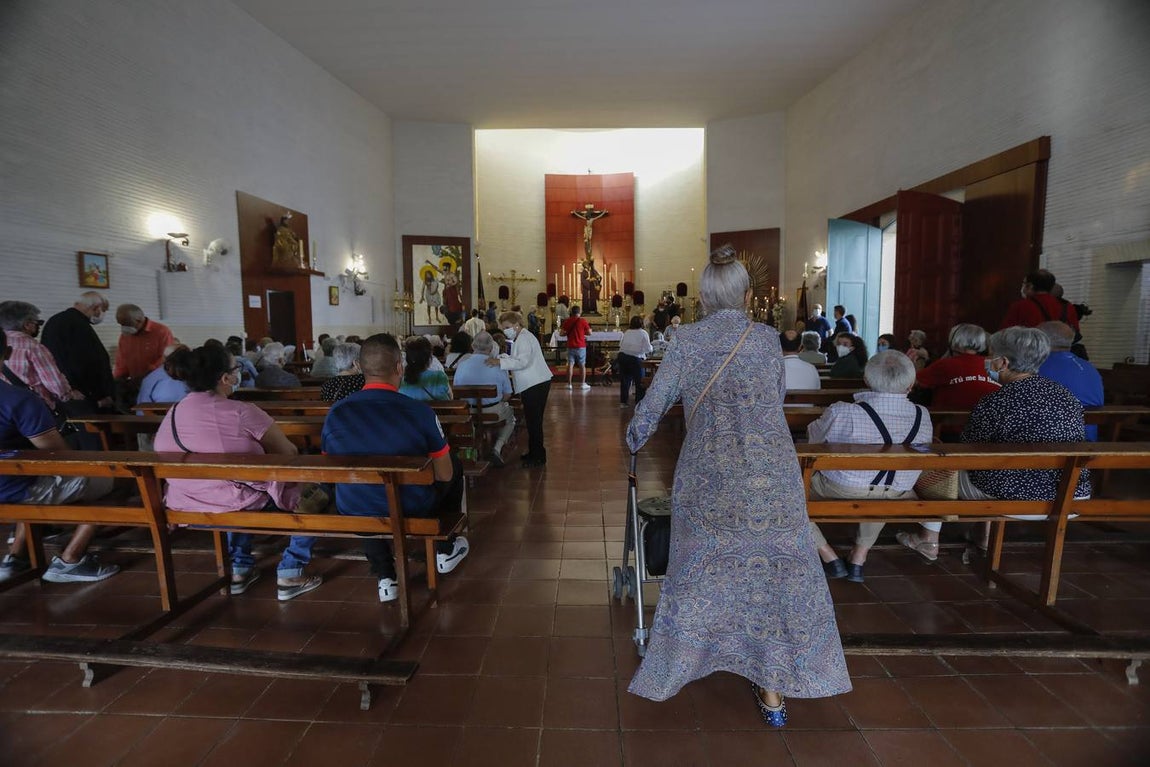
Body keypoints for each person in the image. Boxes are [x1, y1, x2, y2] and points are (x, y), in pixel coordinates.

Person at [624, 246, 850, 727]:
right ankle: (772, 688)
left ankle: (687, 662)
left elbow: (653, 407)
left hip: (711, 475)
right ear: (747, 295)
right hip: (771, 474)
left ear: (703, 297)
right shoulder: (767, 339)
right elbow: (775, 398)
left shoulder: (685, 342)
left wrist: (634, 437)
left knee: (703, 566)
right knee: (772, 572)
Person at [897, 327, 1091, 560]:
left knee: (934, 466)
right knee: (995, 469)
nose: (987, 361)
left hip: (1017, 496)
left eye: (991, 355)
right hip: (1071, 493)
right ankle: (982, 537)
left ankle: (928, 540)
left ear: (1003, 362)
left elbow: (968, 450)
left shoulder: (996, 400)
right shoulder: (1065, 395)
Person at [154, 344, 324, 601]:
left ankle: (240, 569)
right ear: (226, 378)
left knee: (235, 488)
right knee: (318, 494)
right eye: (237, 368)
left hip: (187, 503)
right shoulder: (242, 412)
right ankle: (291, 570)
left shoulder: (173, 413)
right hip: (235, 501)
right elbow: (288, 454)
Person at [322, 333, 470, 601]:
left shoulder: (337, 412)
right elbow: (445, 473)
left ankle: (385, 577)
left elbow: (329, 465)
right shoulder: (420, 412)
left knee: (365, 488)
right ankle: (445, 548)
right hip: (410, 505)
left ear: (360, 367)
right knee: (454, 467)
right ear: (399, 367)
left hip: (353, 507)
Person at [0, 330, 121, 584]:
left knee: (37, 480)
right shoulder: (18, 399)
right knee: (115, 478)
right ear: (8, 354)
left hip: (14, 483)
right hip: (15, 489)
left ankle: (16, 556)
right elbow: (57, 455)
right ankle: (71, 559)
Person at [807, 352, 933, 582]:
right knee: (883, 486)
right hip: (898, 492)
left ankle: (827, 555)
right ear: (911, 384)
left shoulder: (843, 411)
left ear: (866, 379)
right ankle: (859, 557)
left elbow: (813, 440)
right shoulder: (922, 414)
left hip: (840, 488)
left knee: (784, 495)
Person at [488, 311, 552, 468]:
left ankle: (538, 457)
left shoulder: (524, 338)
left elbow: (522, 362)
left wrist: (499, 362)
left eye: (507, 327)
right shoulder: (519, 337)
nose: (505, 330)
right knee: (532, 421)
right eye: (503, 328)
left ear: (516, 325)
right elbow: (516, 358)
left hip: (535, 384)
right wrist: (503, 358)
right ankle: (534, 452)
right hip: (532, 383)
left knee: (534, 421)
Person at [914, 323, 999, 438]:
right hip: (989, 431)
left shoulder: (946, 365)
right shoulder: (994, 366)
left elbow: (913, 382)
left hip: (949, 432)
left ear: (955, 340)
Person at [0, 301, 85, 409]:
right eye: (38, 323)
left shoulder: (2, 343)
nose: (38, 327)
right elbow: (54, 382)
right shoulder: (34, 347)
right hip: (32, 407)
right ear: (27, 325)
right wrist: (69, 395)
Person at [40, 291, 116, 411]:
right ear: (96, 307)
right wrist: (101, 394)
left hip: (63, 392)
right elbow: (88, 363)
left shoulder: (54, 320)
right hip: (85, 396)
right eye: (103, 310)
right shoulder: (79, 325)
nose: (102, 314)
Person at [452, 331, 516, 466]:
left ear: (473, 346)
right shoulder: (497, 365)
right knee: (510, 416)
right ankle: (496, 448)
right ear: (491, 348)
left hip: (467, 412)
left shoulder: (462, 364)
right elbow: (507, 394)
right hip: (492, 412)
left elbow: (456, 391)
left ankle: (472, 446)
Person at [1037, 321, 1104, 440]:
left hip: (1053, 443)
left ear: (1041, 340)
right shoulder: (1089, 367)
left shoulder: (1038, 366)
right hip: (1088, 440)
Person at [1001, 269, 1080, 331]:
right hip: (1060, 350)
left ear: (1030, 286)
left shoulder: (1020, 306)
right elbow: (1074, 331)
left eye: (1024, 284)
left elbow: (1005, 333)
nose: (1023, 287)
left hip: (1030, 350)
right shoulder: (1067, 306)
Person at [113, 303, 175, 383]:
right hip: (135, 384)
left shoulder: (162, 332)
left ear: (139, 320)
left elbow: (167, 359)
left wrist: (148, 374)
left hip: (158, 383)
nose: (124, 328)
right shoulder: (125, 336)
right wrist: (116, 381)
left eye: (127, 324)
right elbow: (121, 362)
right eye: (121, 324)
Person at [399, 337, 452, 401]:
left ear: (408, 359)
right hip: (436, 411)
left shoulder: (401, 380)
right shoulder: (439, 377)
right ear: (429, 358)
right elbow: (450, 398)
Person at [617, 315, 653, 407]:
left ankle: (623, 402)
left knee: (625, 380)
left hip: (622, 357)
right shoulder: (643, 333)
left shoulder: (627, 332)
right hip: (635, 358)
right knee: (640, 381)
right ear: (641, 324)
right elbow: (648, 348)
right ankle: (639, 403)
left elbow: (621, 344)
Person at [561, 304, 592, 390]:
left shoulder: (567, 321)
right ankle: (582, 384)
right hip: (581, 346)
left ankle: (569, 384)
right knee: (582, 365)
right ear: (580, 312)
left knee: (570, 365)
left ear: (571, 312)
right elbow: (589, 333)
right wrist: (582, 333)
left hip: (571, 345)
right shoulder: (583, 321)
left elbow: (561, 333)